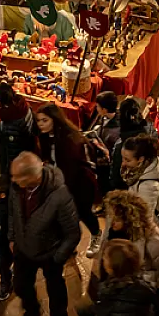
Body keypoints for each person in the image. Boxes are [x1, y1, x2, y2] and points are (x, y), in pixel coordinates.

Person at [9, 151, 81, 316]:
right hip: (24, 249)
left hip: (50, 254)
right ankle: (32, 312)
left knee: (56, 294)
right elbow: (12, 211)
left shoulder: (59, 195)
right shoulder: (17, 187)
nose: (12, 180)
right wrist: (12, 237)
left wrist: (58, 258)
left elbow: (73, 233)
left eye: (17, 176)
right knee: (21, 286)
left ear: (33, 177)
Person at [35, 103, 101, 253]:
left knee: (83, 214)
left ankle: (96, 234)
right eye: (38, 121)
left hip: (79, 185)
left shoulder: (69, 139)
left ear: (55, 119)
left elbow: (72, 169)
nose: (40, 124)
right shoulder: (45, 137)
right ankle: (69, 244)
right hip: (61, 184)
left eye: (44, 120)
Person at [82, 239, 159, 316]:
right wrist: (91, 310)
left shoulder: (125, 307)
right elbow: (107, 305)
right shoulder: (125, 284)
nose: (103, 260)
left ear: (114, 267)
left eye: (106, 258)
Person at [0, 81, 39, 175]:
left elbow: (11, 152)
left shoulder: (7, 124)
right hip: (31, 153)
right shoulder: (24, 106)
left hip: (20, 164)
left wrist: (8, 173)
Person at [83, 91, 121, 196]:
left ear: (104, 109)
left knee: (105, 185)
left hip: (107, 164)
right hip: (101, 160)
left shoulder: (115, 131)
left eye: (98, 107)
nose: (96, 109)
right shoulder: (105, 116)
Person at [120, 134, 159, 217]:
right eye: (122, 158)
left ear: (141, 159)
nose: (123, 163)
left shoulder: (149, 186)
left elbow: (146, 218)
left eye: (127, 160)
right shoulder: (138, 170)